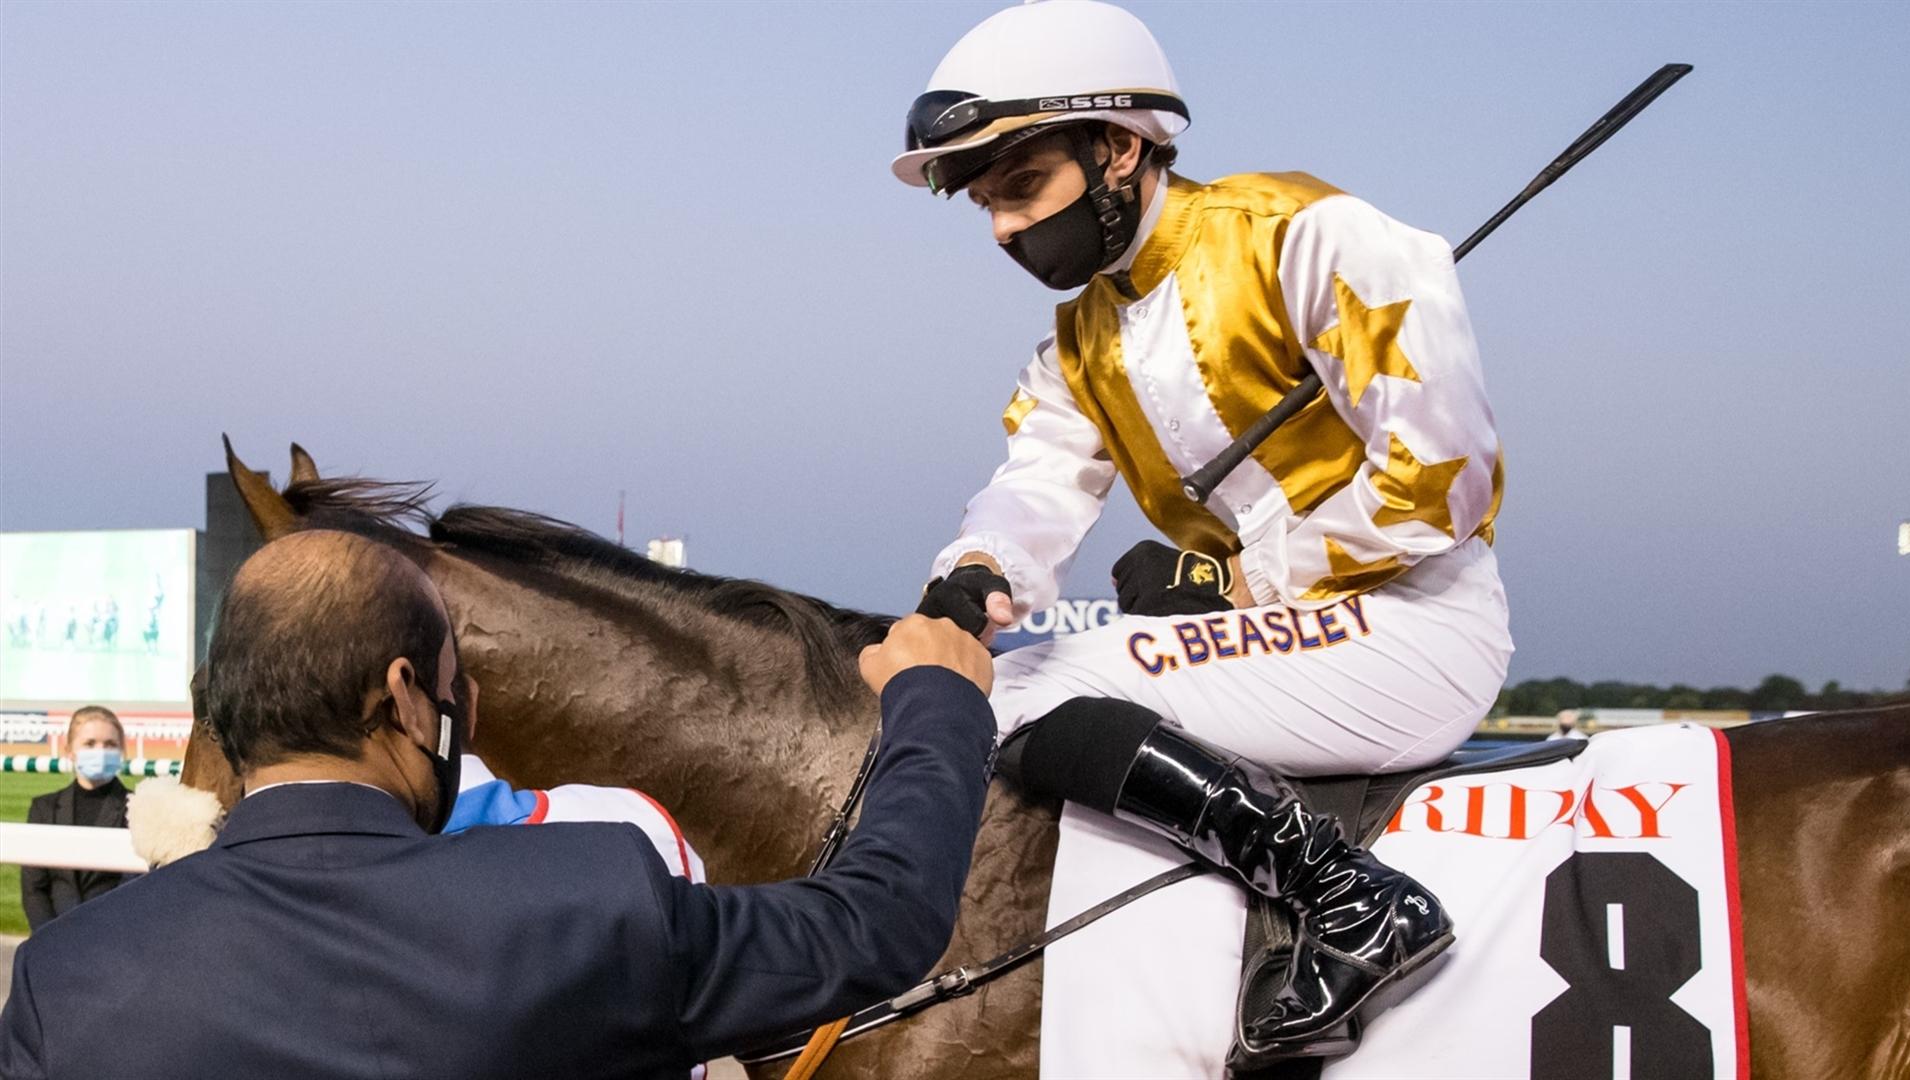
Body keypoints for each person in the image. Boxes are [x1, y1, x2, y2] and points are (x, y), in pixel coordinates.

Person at [895, 1, 1511, 1072]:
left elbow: (1443, 481)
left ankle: (1350, 900)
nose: (1002, 230)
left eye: (1021, 189)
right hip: (1292, 639)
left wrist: (1239, 577)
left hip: (1413, 625)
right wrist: (974, 576)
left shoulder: (1306, 234)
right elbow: (1038, 481)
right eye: (986, 205)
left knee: (1022, 695)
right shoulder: (1080, 336)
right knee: (997, 673)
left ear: (1121, 148)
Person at [1, 530, 998, 1079]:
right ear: (401, 694)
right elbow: (876, 921)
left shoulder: (66, 982)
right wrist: (939, 701)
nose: (464, 707)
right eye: (452, 681)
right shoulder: (588, 899)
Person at [21, 706, 132, 930]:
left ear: (121, 750)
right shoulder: (44, 808)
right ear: (69, 750)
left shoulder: (137, 807)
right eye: (90, 744)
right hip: (53, 941)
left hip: (113, 939)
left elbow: (133, 887)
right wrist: (48, 939)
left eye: (110, 744)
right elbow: (34, 888)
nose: (100, 751)